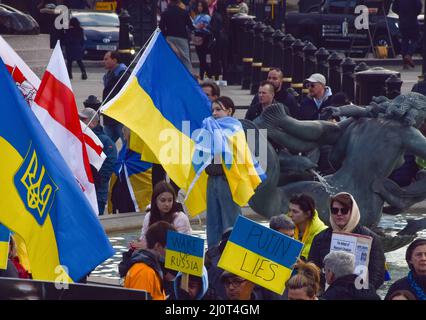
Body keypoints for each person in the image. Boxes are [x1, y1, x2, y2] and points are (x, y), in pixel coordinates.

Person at [308, 192, 385, 292]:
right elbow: (312, 269)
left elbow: (378, 274)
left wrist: (363, 293)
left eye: (344, 210)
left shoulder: (371, 238)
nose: (339, 214)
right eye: (334, 210)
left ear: (352, 211)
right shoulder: (320, 238)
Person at [205, 96, 242, 248]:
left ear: (229, 111)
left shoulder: (235, 129)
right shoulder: (209, 128)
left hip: (228, 180)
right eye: (212, 110)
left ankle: (235, 252)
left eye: (218, 110)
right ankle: (213, 253)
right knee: (213, 220)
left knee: (231, 219)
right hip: (212, 179)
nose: (214, 113)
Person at [123, 221, 176, 300]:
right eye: (169, 248)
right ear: (157, 246)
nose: (172, 252)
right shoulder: (144, 272)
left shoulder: (150, 267)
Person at [79, 107, 117, 215]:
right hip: (83, 191)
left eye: (83, 119)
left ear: (94, 122)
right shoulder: (81, 136)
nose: (80, 121)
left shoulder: (105, 140)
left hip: (98, 192)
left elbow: (110, 162)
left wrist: (97, 180)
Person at [132, 181, 192, 249]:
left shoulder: (181, 218)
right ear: (155, 200)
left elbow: (182, 246)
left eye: (170, 200)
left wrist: (147, 246)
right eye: (163, 200)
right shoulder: (148, 216)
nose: (167, 204)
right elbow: (143, 239)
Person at [159, 0, 195, 73]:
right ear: (179, 2)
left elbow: (161, 27)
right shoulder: (184, 12)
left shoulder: (165, 13)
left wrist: (166, 34)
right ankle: (189, 76)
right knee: (185, 58)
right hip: (182, 37)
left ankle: (170, 75)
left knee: (170, 57)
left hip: (170, 37)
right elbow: (191, 26)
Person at [102, 51, 130, 143]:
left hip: (119, 116)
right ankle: (107, 158)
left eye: (106, 59)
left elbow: (125, 94)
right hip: (109, 115)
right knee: (106, 144)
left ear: (114, 60)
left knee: (126, 143)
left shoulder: (123, 74)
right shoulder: (109, 75)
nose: (104, 61)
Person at [288, 194, 327, 260]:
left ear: (308, 214)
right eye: (289, 210)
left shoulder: (323, 234)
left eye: (295, 212)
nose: (290, 214)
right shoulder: (283, 226)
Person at [391, 0, 423, 69]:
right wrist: (414, 13)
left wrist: (401, 13)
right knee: (416, 38)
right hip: (412, 20)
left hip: (402, 21)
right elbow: (419, 7)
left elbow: (394, 8)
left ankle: (405, 64)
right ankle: (409, 55)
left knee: (404, 40)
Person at [209, 0, 229, 81]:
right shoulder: (226, 16)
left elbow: (214, 28)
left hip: (217, 39)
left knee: (216, 59)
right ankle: (225, 77)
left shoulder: (215, 15)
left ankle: (216, 76)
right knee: (224, 59)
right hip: (226, 39)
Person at [192, 0, 212, 80]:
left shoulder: (207, 17)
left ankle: (205, 74)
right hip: (197, 37)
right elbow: (194, 26)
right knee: (200, 57)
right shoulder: (197, 16)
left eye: (201, 6)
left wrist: (202, 27)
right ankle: (207, 73)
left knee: (202, 58)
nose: (199, 7)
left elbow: (208, 28)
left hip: (204, 37)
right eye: (198, 6)